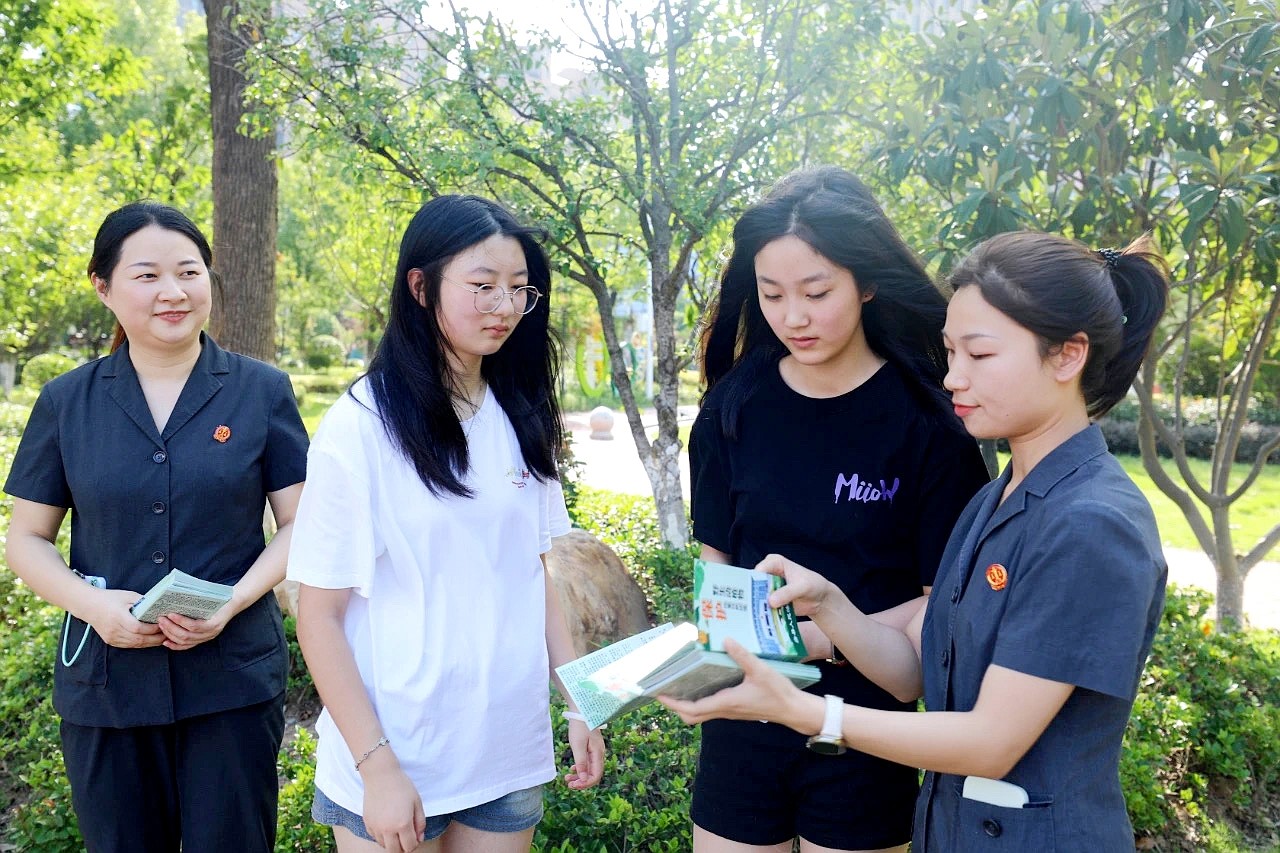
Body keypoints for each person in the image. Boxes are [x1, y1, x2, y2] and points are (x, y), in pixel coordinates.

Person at [664, 232, 1171, 852]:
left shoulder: (1091, 522)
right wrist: (828, 605)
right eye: (951, 351)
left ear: (1067, 356)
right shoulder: (998, 499)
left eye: (979, 354)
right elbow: (912, 674)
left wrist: (810, 713)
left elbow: (991, 742)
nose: (953, 377)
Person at [287, 194, 605, 853]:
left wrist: (580, 700)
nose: (504, 306)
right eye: (483, 286)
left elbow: (533, 572)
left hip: (505, 748)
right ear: (421, 286)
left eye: (519, 289)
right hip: (396, 753)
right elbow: (318, 614)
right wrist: (378, 768)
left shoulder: (520, 411)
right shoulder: (361, 427)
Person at [688, 166, 991, 853]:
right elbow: (719, 574)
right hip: (745, 724)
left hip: (869, 733)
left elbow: (936, 614)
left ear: (867, 282)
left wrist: (818, 635)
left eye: (816, 292)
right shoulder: (732, 410)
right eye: (772, 294)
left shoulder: (931, 428)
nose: (793, 316)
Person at [3, 201, 309, 853]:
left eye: (188, 272)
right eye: (147, 275)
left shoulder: (261, 391)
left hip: (231, 680)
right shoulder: (66, 402)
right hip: (106, 683)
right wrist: (93, 607)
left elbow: (299, 525)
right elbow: (25, 539)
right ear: (103, 287)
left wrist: (233, 600)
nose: (173, 292)